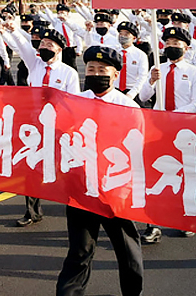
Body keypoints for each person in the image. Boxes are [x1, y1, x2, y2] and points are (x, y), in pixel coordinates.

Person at [56, 45, 143, 296]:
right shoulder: (75, 102)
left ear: (115, 74)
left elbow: (135, 152)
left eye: (102, 70)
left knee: (126, 250)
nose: (95, 74)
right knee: (79, 251)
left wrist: (127, 190)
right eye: (91, 69)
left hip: (114, 189)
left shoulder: (127, 107)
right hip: (81, 188)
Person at [1, 24, 80, 227]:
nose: (44, 47)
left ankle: (76, 203)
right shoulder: (34, 65)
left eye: (50, 44)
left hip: (58, 127)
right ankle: (32, 211)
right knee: (31, 168)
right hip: (34, 126)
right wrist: (13, 30)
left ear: (59, 49)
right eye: (43, 43)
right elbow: (22, 45)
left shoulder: (69, 73)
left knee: (64, 168)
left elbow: (74, 104)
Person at [139, 26, 196, 244]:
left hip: (183, 130)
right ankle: (153, 224)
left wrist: (174, 116)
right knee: (154, 174)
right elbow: (143, 96)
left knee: (184, 175)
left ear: (186, 48)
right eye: (168, 44)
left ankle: (184, 220)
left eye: (176, 44)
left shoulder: (195, 72)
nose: (171, 47)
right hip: (158, 128)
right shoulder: (157, 68)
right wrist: (151, 81)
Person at [114, 21, 149, 103]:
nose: (122, 36)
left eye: (126, 34)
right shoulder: (113, 52)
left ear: (134, 38)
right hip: (115, 91)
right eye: (120, 33)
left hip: (133, 92)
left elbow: (142, 77)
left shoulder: (140, 55)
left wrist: (131, 94)